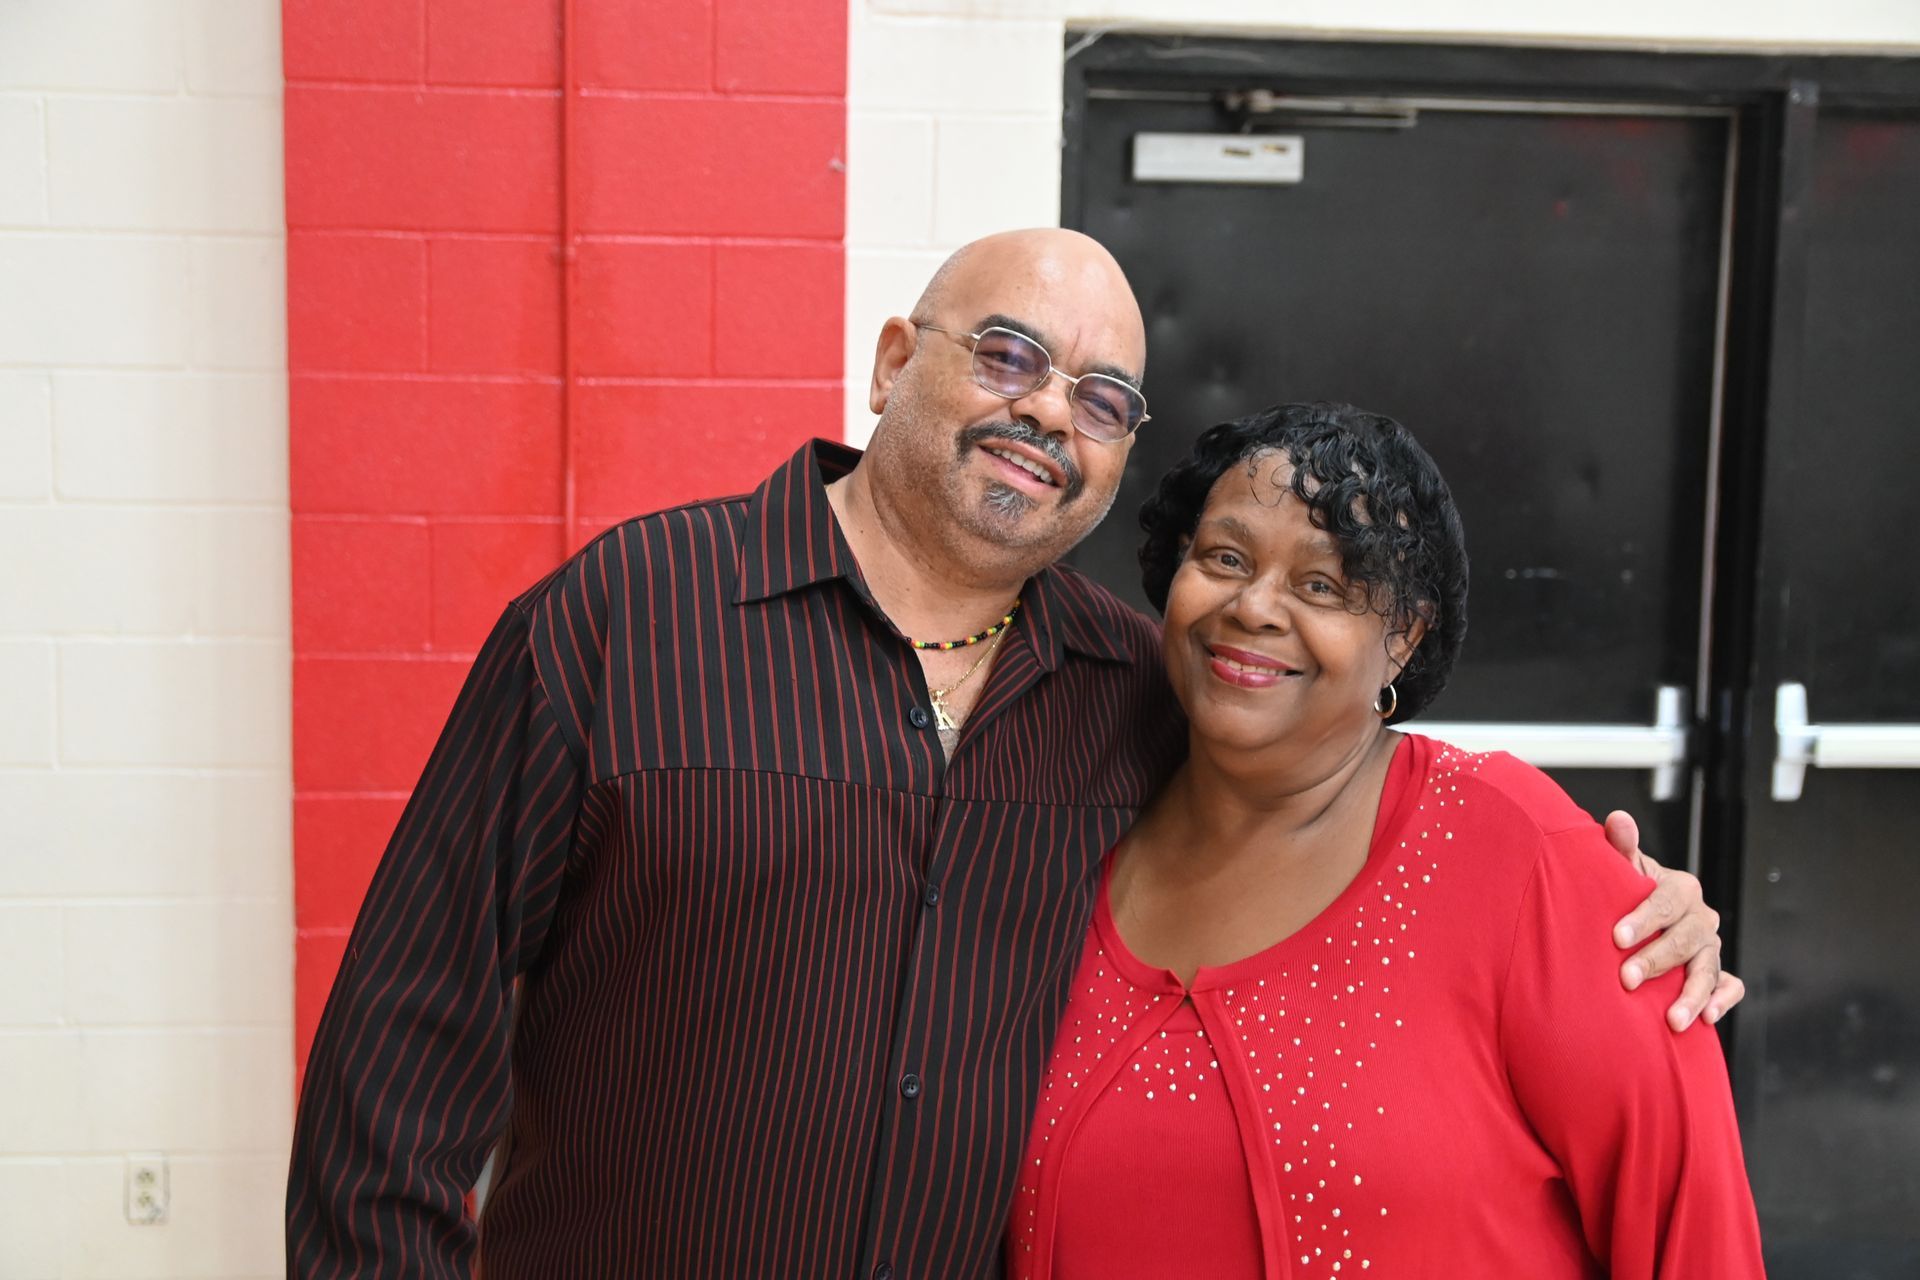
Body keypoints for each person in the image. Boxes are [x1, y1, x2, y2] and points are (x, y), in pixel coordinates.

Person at [286, 230, 1740, 1279]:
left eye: (1103, 398)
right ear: (893, 363)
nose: (1050, 409)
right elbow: (396, 1067)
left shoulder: (1132, 691)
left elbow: (1321, 746)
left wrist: (1626, 894)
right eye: (1009, 355)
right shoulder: (625, 618)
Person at [1007, 403, 1764, 1278]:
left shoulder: (1520, 857)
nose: (1255, 607)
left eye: (1322, 586)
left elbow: (1696, 1239)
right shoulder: (1073, 817)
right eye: (1225, 559)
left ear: (1404, 636)